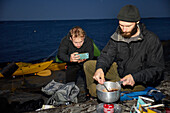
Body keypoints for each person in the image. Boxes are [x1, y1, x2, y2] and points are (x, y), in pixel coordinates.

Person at [84, 5, 165, 97]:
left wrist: (135, 77)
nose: (124, 29)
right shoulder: (118, 35)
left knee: (96, 90)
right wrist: (100, 69)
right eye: (121, 25)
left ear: (137, 22)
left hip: (137, 81)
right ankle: (96, 90)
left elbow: (157, 70)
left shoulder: (151, 40)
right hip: (119, 71)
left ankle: (95, 92)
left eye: (128, 26)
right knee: (88, 65)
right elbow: (106, 55)